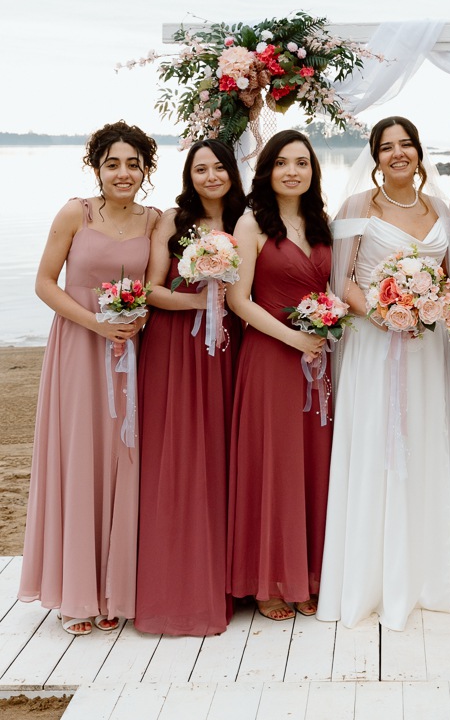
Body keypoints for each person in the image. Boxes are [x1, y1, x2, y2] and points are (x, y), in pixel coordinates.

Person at [316, 116, 450, 631]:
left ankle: (429, 574)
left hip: (426, 347)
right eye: (387, 147)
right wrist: (383, 312)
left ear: (420, 153)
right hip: (373, 343)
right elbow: (342, 281)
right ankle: (368, 577)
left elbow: (448, 280)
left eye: (407, 145)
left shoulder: (441, 210)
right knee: (374, 444)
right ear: (376, 157)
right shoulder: (357, 208)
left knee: (426, 443)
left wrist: (427, 306)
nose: (398, 154)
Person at [18, 121, 159, 635]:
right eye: (112, 163)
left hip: (131, 353)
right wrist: (95, 322)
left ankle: (115, 590)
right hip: (79, 348)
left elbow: (157, 286)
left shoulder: (154, 221)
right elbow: (43, 282)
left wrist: (136, 320)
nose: (123, 173)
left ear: (146, 168)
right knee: (82, 457)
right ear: (96, 168)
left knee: (124, 461)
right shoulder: (74, 213)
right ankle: (76, 594)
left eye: (132, 163)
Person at [135, 139, 247, 636]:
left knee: (225, 453)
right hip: (177, 347)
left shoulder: (248, 219)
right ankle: (178, 582)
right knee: (179, 456)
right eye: (201, 168)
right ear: (189, 174)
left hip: (233, 347)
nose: (211, 176)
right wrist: (201, 303)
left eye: (219, 167)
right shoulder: (172, 221)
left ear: (233, 172)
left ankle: (232, 581)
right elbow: (151, 289)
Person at [226, 130, 332, 621]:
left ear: (313, 171)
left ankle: (306, 574)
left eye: (303, 163)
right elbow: (238, 299)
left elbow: (330, 285)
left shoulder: (319, 222)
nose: (294, 170)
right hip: (271, 358)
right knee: (274, 464)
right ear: (266, 169)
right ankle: (270, 579)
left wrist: (327, 329)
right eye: (283, 162)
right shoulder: (252, 223)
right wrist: (294, 340)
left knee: (311, 463)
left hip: (317, 360)